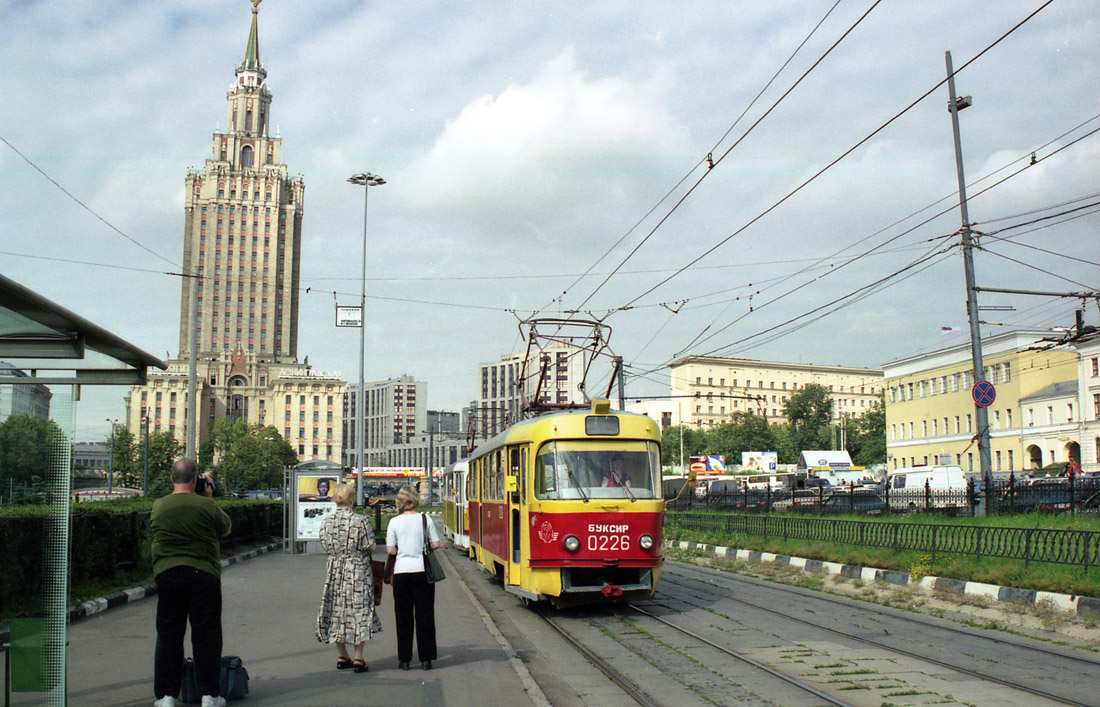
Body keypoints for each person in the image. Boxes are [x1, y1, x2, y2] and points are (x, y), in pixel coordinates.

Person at [150, 459, 232, 707]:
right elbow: (226, 528)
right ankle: (209, 695)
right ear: (196, 479)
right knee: (206, 635)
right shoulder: (206, 505)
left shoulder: (159, 506)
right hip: (203, 575)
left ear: (171, 478)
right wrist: (209, 497)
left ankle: (166, 696)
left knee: (169, 635)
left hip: (168, 575)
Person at [316, 483, 383, 672]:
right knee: (359, 610)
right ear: (352, 500)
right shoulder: (361, 521)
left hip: (336, 569)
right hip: (358, 570)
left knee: (336, 609)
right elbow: (370, 546)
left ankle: (341, 656)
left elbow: (324, 545)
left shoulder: (327, 522)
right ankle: (358, 659)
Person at [385, 485, 440, 671]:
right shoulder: (426, 519)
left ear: (400, 502)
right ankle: (426, 659)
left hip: (401, 573)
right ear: (415, 499)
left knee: (403, 616)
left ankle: (405, 659)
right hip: (422, 572)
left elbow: (391, 550)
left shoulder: (394, 522)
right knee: (425, 615)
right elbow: (436, 544)